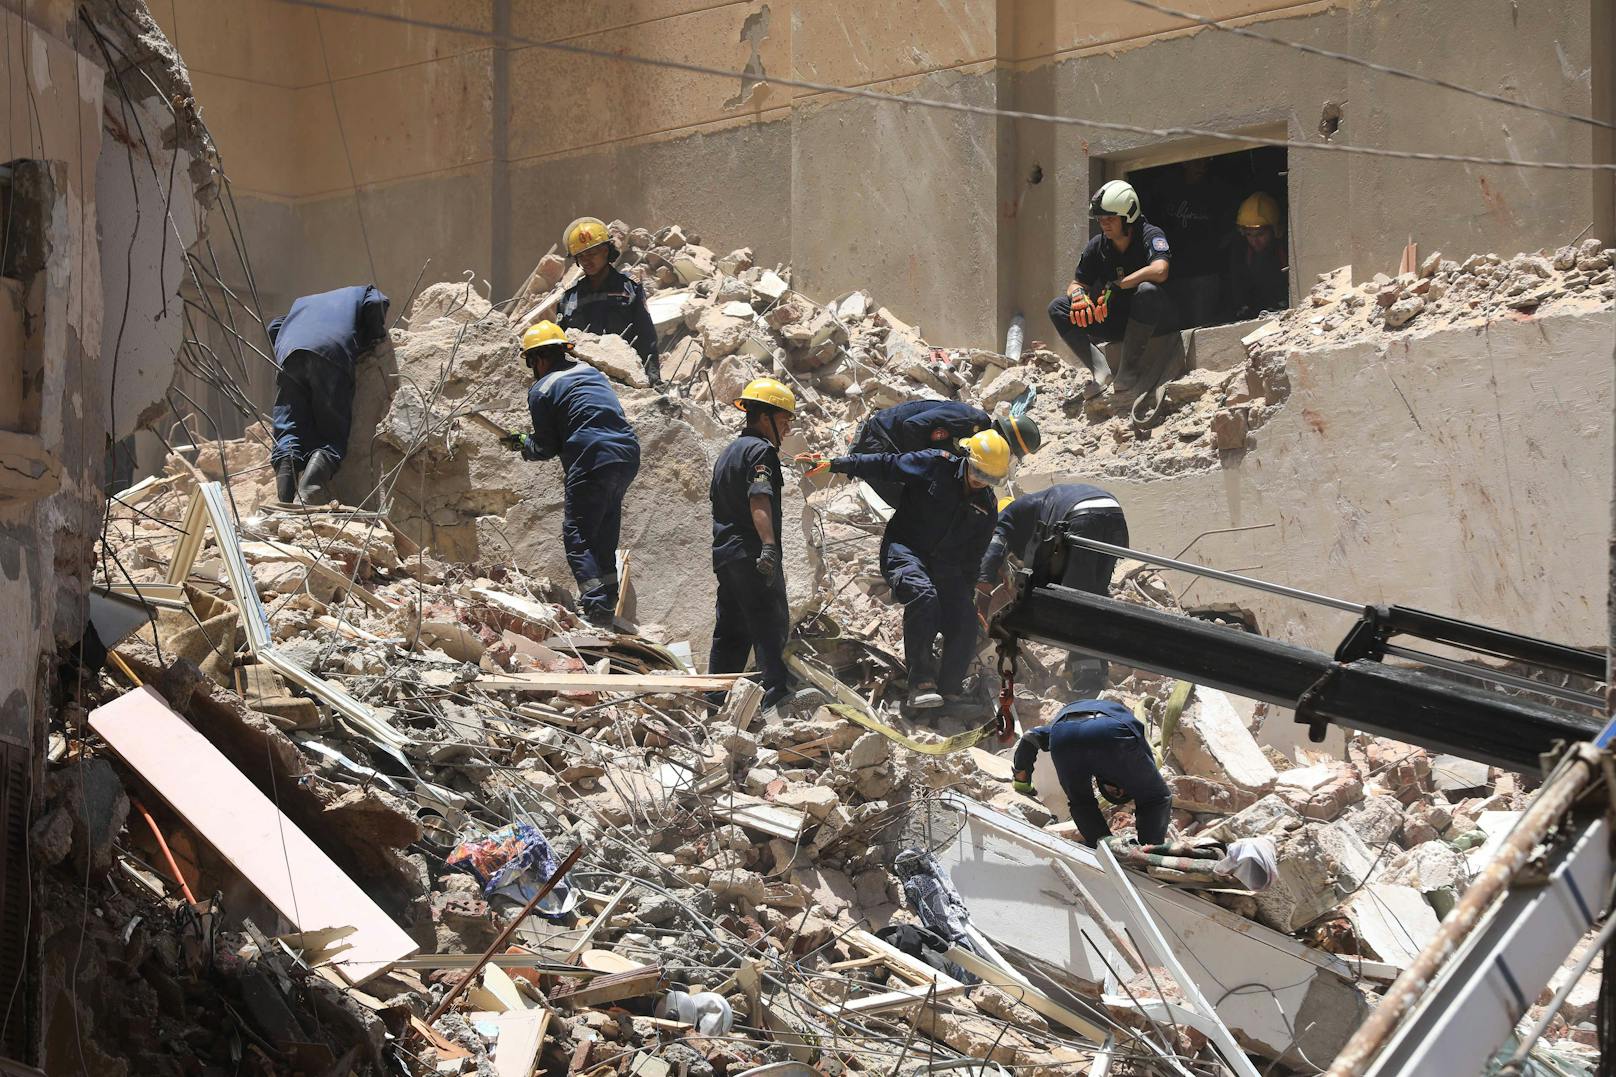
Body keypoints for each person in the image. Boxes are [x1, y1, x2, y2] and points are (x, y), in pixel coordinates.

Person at [800, 431, 1008, 709]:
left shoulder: (986, 506)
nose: (980, 480)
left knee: (965, 621)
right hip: (905, 550)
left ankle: (949, 692)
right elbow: (887, 464)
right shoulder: (936, 464)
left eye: (988, 479)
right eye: (978, 472)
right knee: (924, 596)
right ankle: (920, 683)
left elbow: (973, 558)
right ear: (968, 458)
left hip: (946, 567)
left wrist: (965, 599)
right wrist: (838, 463)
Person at [500, 320, 640, 626]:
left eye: (530, 363)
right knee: (603, 532)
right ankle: (608, 597)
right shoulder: (590, 373)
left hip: (592, 455)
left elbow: (547, 446)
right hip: (626, 453)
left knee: (578, 535)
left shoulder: (542, 389)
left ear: (537, 359)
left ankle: (595, 606)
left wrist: (524, 443)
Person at [976, 483, 1127, 695]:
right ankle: (1096, 665)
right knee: (1095, 595)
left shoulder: (1009, 515)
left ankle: (1087, 678)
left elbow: (995, 547)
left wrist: (982, 595)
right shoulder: (1041, 513)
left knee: (1075, 603)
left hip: (1082, 518)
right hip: (1114, 514)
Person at [1046, 180, 1183, 403]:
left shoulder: (1149, 234)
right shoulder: (1097, 246)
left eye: (1110, 219)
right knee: (1058, 308)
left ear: (1128, 215)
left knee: (1147, 290)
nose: (1104, 225)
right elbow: (1077, 283)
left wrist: (1120, 284)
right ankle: (1099, 369)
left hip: (1152, 319)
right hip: (1116, 320)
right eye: (1100, 219)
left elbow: (1161, 270)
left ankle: (1128, 370)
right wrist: (1079, 296)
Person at [709, 378, 800, 712]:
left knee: (731, 631)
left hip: (726, 554)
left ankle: (716, 701)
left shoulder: (728, 453)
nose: (788, 428)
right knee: (769, 621)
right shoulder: (761, 451)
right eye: (785, 420)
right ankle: (776, 697)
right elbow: (758, 498)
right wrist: (769, 548)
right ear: (765, 418)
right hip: (752, 554)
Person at [269, 283, 390, 504]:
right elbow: (377, 303)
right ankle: (308, 492)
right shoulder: (364, 292)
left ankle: (283, 499)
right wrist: (374, 338)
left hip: (290, 353)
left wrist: (286, 352)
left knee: (289, 428)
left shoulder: (303, 303)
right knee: (332, 434)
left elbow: (274, 327)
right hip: (330, 352)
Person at [1010, 699, 1172, 847]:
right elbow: (1153, 798)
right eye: (1120, 791)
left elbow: (1030, 738)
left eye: (1114, 792)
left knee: (1081, 804)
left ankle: (1106, 851)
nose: (1118, 789)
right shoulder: (1119, 734)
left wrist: (1021, 780)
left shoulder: (1052, 731)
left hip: (1064, 733)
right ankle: (1147, 855)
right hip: (1109, 729)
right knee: (1156, 798)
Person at [848, 401, 1041, 507]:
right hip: (878, 444)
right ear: (1006, 441)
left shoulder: (980, 441)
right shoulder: (971, 421)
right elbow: (912, 426)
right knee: (915, 508)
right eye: (1010, 454)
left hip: (889, 448)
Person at [556, 216, 662, 387]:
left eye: (591, 253)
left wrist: (653, 380)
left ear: (606, 250)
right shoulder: (569, 298)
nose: (586, 260)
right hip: (583, 382)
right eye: (581, 256)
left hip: (625, 381)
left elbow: (646, 338)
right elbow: (560, 346)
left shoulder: (630, 289)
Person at [1148, 158, 1234, 328]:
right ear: (1184, 163)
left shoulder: (1215, 191)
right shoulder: (1168, 189)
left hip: (1206, 274)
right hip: (1174, 274)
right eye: (1196, 162)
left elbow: (1228, 231)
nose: (1201, 167)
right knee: (1175, 330)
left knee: (1201, 329)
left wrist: (1214, 253)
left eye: (1204, 162)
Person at [1225, 192, 1289, 321]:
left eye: (1260, 234)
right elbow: (1238, 284)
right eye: (1249, 235)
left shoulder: (1285, 247)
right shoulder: (1241, 251)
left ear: (1275, 230)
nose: (1255, 241)